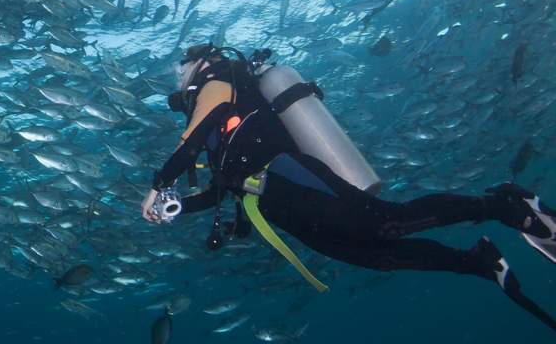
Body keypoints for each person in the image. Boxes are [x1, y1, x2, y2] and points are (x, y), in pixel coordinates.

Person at [141, 44, 556, 332]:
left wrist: (160, 185)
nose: (176, 79)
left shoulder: (218, 81)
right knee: (375, 257)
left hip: (290, 177)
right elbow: (220, 188)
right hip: (273, 202)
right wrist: (179, 206)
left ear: (200, 62)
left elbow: (187, 144)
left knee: (387, 223)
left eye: (180, 69)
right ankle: (477, 262)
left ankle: (504, 206)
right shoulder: (216, 129)